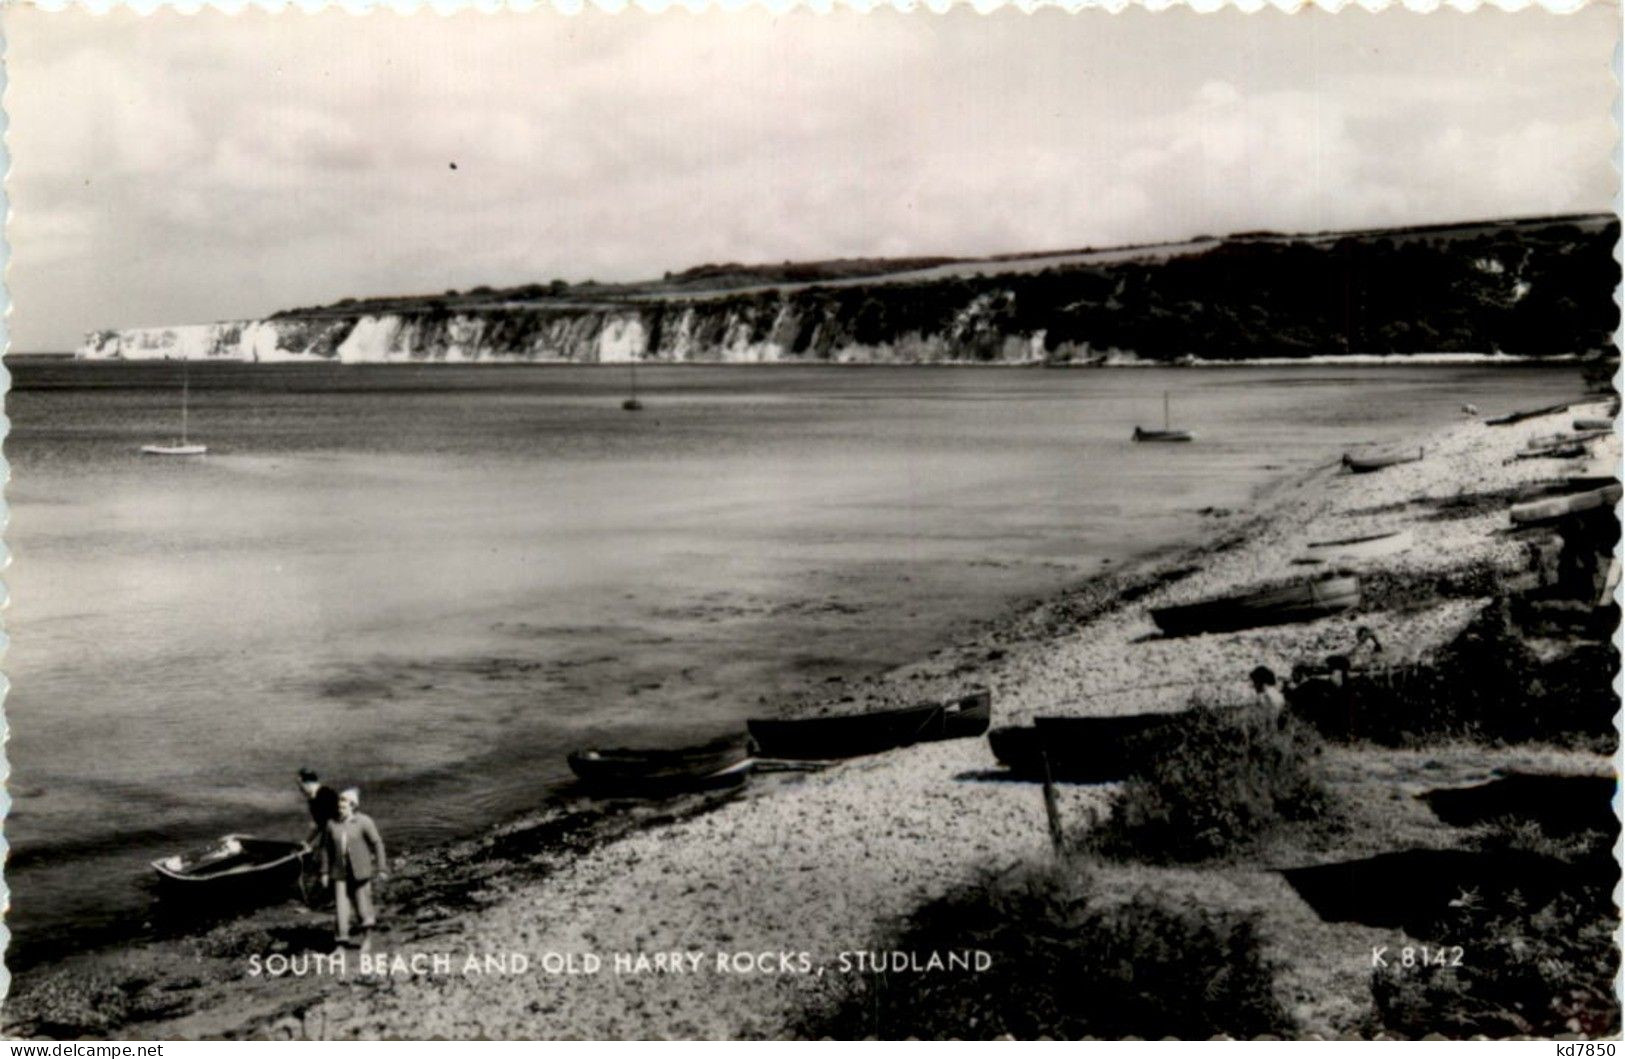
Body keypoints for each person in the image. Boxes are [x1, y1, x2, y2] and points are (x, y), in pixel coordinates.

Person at [319, 787, 388, 946]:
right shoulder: (331, 824)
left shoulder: (364, 821)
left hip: (360, 871)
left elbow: (377, 843)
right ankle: (341, 943)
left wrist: (381, 868)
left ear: (353, 806)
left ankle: (367, 939)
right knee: (341, 909)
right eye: (339, 805)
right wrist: (323, 872)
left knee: (363, 905)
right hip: (339, 873)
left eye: (343, 806)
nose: (340, 809)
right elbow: (324, 849)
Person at [298, 768, 340, 853]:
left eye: (300, 785)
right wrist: (307, 842)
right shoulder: (314, 798)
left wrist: (308, 842)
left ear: (308, 784)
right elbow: (320, 824)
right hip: (330, 835)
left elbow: (326, 823)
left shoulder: (326, 795)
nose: (300, 789)